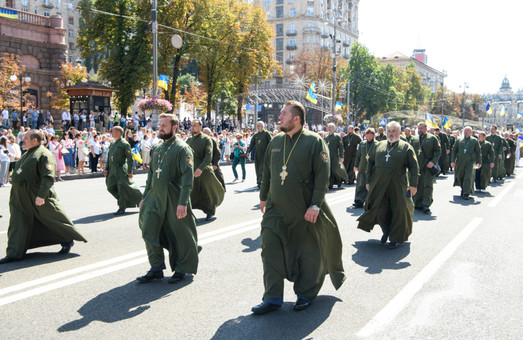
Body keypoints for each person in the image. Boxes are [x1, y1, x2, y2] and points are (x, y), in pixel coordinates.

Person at [251, 100, 345, 315]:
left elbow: (322, 176)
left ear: (296, 119)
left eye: (284, 114)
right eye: (281, 114)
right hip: (276, 208)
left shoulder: (314, 142)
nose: (279, 117)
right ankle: (272, 297)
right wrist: (263, 197)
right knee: (270, 249)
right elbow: (268, 172)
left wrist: (315, 205)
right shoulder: (275, 142)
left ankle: (305, 294)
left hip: (304, 208)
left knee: (307, 253)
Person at [0, 130, 87, 264]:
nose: (23, 141)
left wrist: (41, 196)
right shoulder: (27, 153)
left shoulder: (44, 154)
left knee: (51, 218)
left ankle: (66, 238)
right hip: (20, 195)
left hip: (36, 194)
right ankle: (14, 252)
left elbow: (47, 178)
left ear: (35, 140)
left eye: (25, 139)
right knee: (17, 222)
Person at [136, 114, 200, 283]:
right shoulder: (157, 149)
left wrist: (182, 203)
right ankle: (156, 266)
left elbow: (188, 179)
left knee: (179, 234)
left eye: (165, 125)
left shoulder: (182, 149)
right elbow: (150, 175)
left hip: (174, 197)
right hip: (154, 197)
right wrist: (144, 197)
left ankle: (182, 268)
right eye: (160, 125)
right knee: (148, 229)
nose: (161, 128)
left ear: (174, 127)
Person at [357, 121, 419, 249]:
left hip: (398, 185)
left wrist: (413, 185)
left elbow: (414, 167)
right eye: (389, 131)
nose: (391, 134)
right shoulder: (379, 146)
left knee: (398, 210)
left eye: (394, 131)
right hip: (379, 185)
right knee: (379, 209)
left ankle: (395, 238)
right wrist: (368, 181)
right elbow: (370, 164)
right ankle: (386, 231)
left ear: (399, 132)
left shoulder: (406, 147)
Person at [186, 119, 225, 221]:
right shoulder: (189, 140)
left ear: (200, 127)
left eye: (195, 125)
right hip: (191, 170)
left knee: (207, 192)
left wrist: (200, 169)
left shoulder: (206, 139)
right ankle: (188, 214)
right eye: (191, 125)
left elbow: (208, 157)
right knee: (190, 192)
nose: (192, 127)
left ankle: (210, 212)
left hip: (204, 171)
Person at [104, 126, 142, 215]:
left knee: (122, 188)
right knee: (110, 186)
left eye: (113, 131)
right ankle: (126, 200)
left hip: (120, 169)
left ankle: (123, 206)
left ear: (118, 132)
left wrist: (130, 172)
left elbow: (130, 159)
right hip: (112, 170)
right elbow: (109, 157)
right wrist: (106, 168)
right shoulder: (113, 143)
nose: (111, 133)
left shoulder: (124, 144)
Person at [409, 122, 441, 214]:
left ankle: (426, 204)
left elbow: (438, 151)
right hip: (417, 166)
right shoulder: (414, 139)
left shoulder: (432, 138)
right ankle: (418, 203)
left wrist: (433, 162)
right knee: (417, 184)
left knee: (427, 185)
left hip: (428, 166)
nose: (420, 130)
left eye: (422, 128)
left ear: (426, 128)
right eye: (418, 128)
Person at [451, 126, 482, 200]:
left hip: (470, 162)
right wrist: (452, 161)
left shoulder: (474, 141)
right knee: (459, 175)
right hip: (460, 162)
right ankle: (463, 188)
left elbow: (478, 152)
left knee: (468, 176)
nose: (466, 132)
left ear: (471, 132)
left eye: (468, 131)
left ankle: (466, 193)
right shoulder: (459, 140)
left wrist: (479, 162)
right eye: (465, 131)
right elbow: (454, 151)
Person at [352, 128, 377, 208]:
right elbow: (358, 156)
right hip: (362, 167)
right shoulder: (362, 144)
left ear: (373, 135)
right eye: (367, 135)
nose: (369, 137)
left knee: (370, 185)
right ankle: (359, 200)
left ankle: (370, 201)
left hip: (372, 168)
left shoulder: (377, 144)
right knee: (360, 184)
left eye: (370, 135)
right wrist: (356, 165)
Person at [247, 121, 272, 188]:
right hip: (257, 154)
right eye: (257, 125)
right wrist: (248, 151)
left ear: (262, 126)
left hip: (265, 154)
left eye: (259, 125)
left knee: (262, 167)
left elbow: (271, 143)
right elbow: (251, 144)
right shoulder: (256, 135)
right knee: (257, 167)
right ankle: (258, 180)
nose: (257, 127)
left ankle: (260, 181)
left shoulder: (266, 133)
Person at [324, 123, 346, 189]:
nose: (329, 128)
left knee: (334, 170)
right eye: (328, 127)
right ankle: (330, 184)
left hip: (335, 156)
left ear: (333, 128)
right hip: (328, 156)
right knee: (329, 170)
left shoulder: (337, 137)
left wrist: (341, 156)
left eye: (331, 127)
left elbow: (341, 147)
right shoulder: (326, 137)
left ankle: (338, 181)